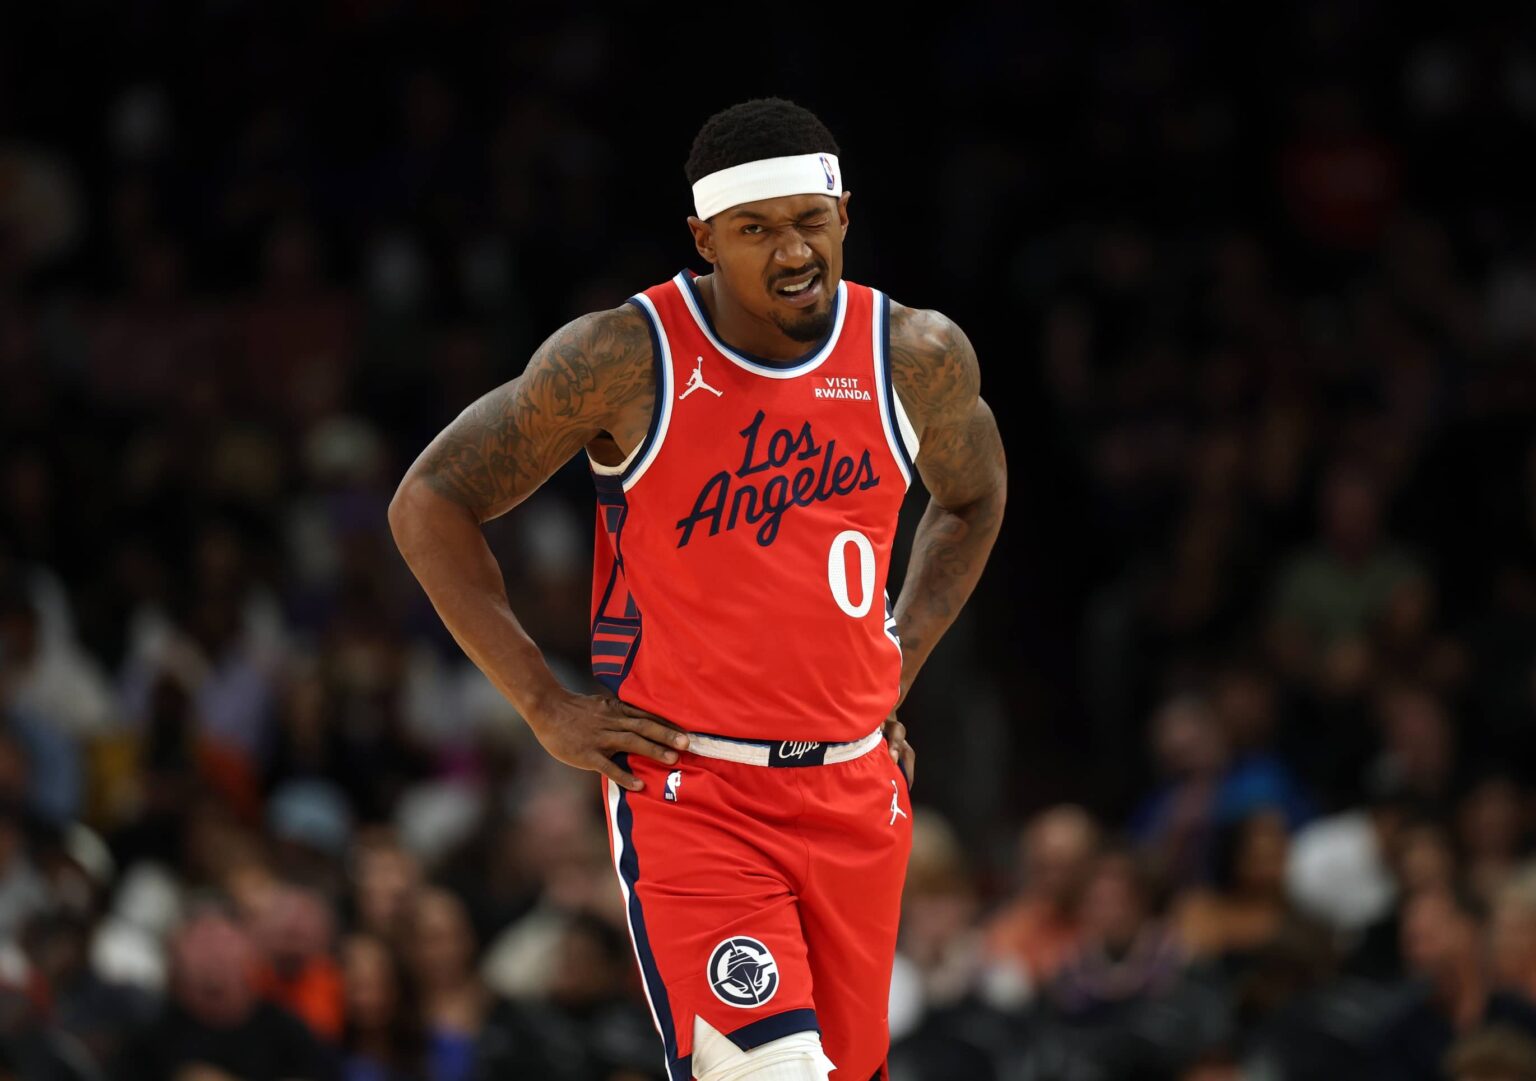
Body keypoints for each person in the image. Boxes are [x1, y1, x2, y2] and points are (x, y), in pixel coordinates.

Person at [389, 97, 1007, 1081]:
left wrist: (899, 657)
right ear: (705, 238)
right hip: (696, 788)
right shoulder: (622, 358)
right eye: (756, 229)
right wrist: (544, 703)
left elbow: (973, 501)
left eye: (810, 219)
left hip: (855, 785)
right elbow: (429, 499)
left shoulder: (915, 355)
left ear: (844, 214)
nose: (792, 250)